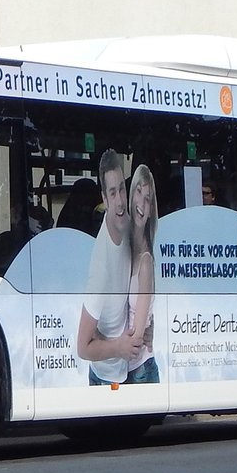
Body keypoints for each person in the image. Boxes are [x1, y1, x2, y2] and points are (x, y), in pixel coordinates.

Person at [77, 150, 144, 383]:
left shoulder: (130, 224)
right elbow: (83, 347)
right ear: (104, 200)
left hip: (128, 366)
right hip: (105, 378)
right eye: (112, 193)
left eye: (122, 190)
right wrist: (119, 347)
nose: (119, 201)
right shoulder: (101, 265)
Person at [123, 164, 159, 384]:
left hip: (140, 370)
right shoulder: (125, 248)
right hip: (128, 367)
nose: (141, 205)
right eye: (139, 193)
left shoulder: (146, 260)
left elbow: (137, 336)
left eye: (148, 199)